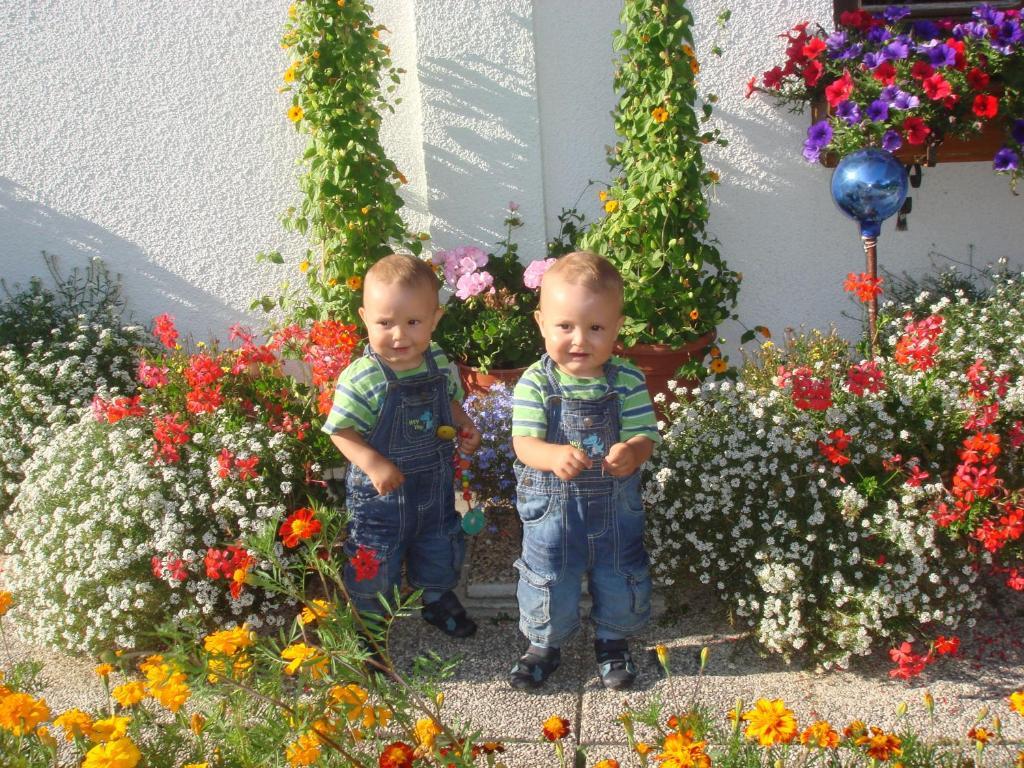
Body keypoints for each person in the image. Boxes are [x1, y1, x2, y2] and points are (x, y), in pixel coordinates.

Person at [509, 251, 660, 690]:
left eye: (595, 328)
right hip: (552, 517)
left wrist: (632, 452)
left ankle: (613, 640)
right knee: (549, 577)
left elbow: (644, 434)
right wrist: (552, 455)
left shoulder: (628, 382)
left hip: (615, 512)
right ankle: (544, 644)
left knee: (619, 572)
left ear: (616, 328)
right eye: (565, 326)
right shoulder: (536, 384)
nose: (580, 340)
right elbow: (523, 444)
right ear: (541, 323)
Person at [322, 253, 482, 638]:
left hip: (433, 491)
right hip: (381, 503)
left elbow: (450, 401)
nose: (399, 335)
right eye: (385, 323)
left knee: (439, 546)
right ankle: (370, 625)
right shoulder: (363, 378)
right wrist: (374, 463)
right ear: (365, 319)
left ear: (435, 319)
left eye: (413, 322)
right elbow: (339, 430)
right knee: (375, 562)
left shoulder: (438, 362)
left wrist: (463, 424)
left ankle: (437, 598)